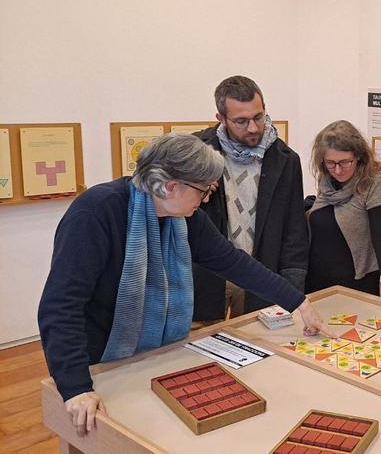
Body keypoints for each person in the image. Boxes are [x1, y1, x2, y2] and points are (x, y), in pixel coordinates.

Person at [37, 134, 327, 436]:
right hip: (101, 359)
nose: (206, 199)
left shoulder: (185, 218)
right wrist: (75, 387)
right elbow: (60, 306)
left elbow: (233, 262)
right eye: (203, 191)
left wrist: (296, 300)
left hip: (153, 355)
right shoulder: (96, 212)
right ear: (170, 186)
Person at [191, 75, 309, 324]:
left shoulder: (286, 160)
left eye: (258, 117)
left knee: (257, 351)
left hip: (260, 276)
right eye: (241, 121)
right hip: (206, 278)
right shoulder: (196, 153)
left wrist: (293, 287)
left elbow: (294, 230)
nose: (253, 128)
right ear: (221, 119)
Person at [305, 120, 381, 314]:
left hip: (355, 283)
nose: (337, 170)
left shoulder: (374, 185)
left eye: (345, 162)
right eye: (331, 163)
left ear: (358, 157)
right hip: (316, 281)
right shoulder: (326, 181)